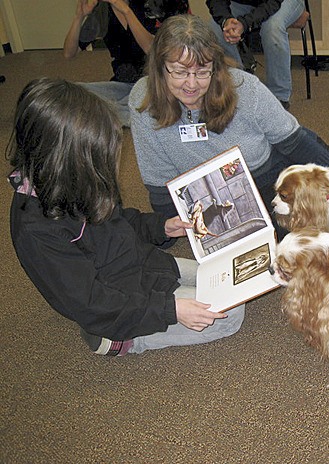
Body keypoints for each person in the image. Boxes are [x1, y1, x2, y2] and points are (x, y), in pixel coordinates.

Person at [9, 77, 244, 356]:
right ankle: (124, 341)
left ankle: (170, 299)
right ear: (62, 156)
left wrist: (161, 227)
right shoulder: (36, 231)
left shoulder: (77, 176)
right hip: (117, 307)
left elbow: (118, 219)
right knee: (229, 316)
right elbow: (89, 301)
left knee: (232, 282)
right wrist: (170, 310)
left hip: (144, 266)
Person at [128, 13, 329, 224]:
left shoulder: (244, 87)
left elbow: (294, 141)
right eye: (179, 72)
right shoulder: (143, 101)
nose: (191, 84)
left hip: (270, 174)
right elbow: (158, 180)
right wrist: (167, 222)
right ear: (159, 68)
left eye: (202, 72)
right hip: (210, 195)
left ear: (215, 68)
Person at [63, 0, 188, 126]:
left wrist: (126, 11)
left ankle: (109, 112)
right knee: (73, 92)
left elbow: (152, 50)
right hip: (123, 86)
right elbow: (69, 52)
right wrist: (79, 16)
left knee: (148, 95)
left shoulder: (153, 5)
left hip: (156, 82)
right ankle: (126, 111)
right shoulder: (103, 11)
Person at [205, 0, 307, 109]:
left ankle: (280, 97)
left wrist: (244, 23)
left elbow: (273, 3)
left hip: (282, 1)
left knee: (272, 28)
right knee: (216, 28)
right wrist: (225, 21)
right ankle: (241, 87)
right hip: (243, 3)